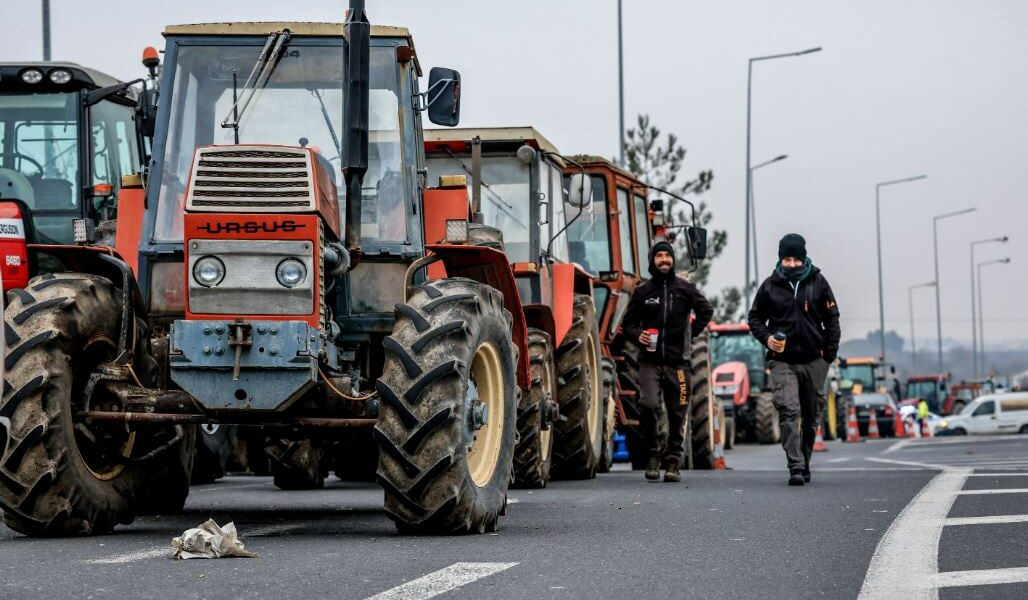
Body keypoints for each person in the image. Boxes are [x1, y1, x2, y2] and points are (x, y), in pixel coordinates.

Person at [748, 234, 841, 486]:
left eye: (795, 259)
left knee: (810, 418)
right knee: (789, 410)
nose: (791, 264)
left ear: (803, 258)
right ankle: (795, 466)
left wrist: (828, 356)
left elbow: (832, 320)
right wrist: (767, 338)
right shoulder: (770, 286)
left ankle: (805, 461)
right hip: (782, 361)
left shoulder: (818, 282)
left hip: (814, 360)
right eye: (786, 259)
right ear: (780, 259)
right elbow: (754, 319)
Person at [621, 240, 713, 482]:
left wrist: (690, 334)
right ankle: (653, 455)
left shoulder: (686, 289)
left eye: (667, 256)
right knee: (649, 405)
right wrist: (638, 335)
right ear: (652, 261)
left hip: (679, 364)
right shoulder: (642, 292)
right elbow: (628, 325)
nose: (664, 260)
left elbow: (706, 311)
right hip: (649, 362)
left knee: (677, 413)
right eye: (659, 256)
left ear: (673, 260)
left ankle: (673, 461)